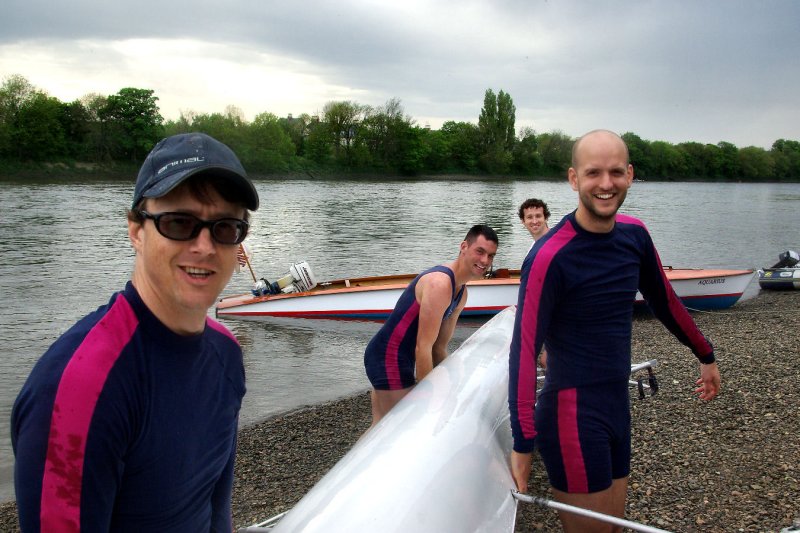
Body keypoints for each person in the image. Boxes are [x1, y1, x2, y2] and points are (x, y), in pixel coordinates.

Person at [11, 132, 260, 531]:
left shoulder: (226, 352)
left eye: (225, 228)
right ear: (136, 231)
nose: (205, 246)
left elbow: (215, 507)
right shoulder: (78, 388)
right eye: (179, 222)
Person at [508, 130, 720, 532]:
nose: (606, 184)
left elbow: (666, 303)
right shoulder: (549, 255)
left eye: (616, 172)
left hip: (616, 405)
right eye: (593, 173)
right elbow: (523, 349)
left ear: (630, 174)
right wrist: (522, 442)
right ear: (573, 179)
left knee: (616, 528)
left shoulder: (634, 235)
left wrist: (705, 355)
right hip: (571, 414)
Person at [364, 225, 499, 426]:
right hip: (388, 358)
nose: (485, 261)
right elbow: (423, 347)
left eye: (490, 255)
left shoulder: (461, 293)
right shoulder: (440, 284)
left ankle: (355, 459)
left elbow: (439, 348)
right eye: (479, 251)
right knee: (402, 429)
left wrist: (454, 383)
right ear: (463, 247)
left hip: (397, 357)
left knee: (379, 428)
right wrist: (429, 398)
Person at [518, 198, 551, 369]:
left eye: (538, 216)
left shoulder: (553, 243)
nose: (534, 221)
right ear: (523, 221)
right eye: (529, 217)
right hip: (541, 310)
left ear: (546, 217)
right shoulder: (534, 246)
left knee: (548, 360)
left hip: (555, 311)